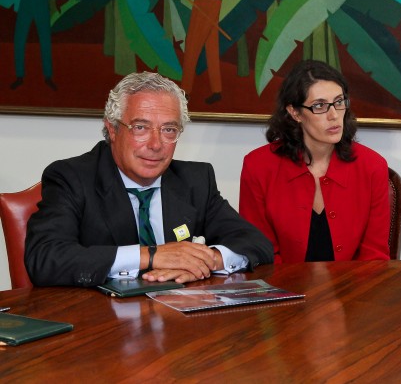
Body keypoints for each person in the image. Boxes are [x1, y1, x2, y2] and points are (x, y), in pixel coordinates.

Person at [25, 71, 273, 287]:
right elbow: (45, 258)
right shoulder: (71, 178)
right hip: (101, 319)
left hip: (177, 317)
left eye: (169, 130)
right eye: (140, 128)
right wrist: (152, 256)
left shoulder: (195, 181)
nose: (156, 145)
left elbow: (256, 243)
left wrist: (204, 261)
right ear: (112, 129)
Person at [239, 60, 390, 263]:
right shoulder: (258, 166)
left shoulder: (372, 166)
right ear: (295, 112)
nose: (334, 115)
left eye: (339, 102)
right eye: (319, 105)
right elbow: (261, 253)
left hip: (354, 283)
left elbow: (374, 257)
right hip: (282, 282)